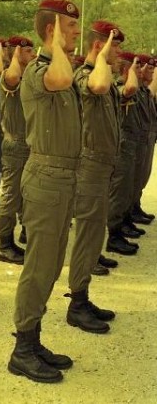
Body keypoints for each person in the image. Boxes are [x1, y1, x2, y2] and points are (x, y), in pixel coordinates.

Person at [8, 0, 82, 383]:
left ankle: (33, 339)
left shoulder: (61, 66)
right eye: (69, 26)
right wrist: (54, 45)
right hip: (46, 179)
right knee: (38, 267)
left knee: (51, 266)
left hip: (63, 180)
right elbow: (63, 79)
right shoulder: (40, 71)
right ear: (52, 28)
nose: (75, 32)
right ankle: (21, 349)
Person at [65, 21, 126, 334]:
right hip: (89, 166)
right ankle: (76, 303)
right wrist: (102, 56)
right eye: (114, 45)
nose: (118, 52)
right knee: (88, 236)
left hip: (102, 166)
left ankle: (83, 296)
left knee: (94, 235)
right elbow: (99, 86)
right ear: (99, 45)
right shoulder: (85, 75)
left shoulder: (102, 73)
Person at [0, 36, 36, 265]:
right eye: (28, 51)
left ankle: (22, 236)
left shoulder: (26, 77)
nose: (32, 56)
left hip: (28, 145)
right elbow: (11, 76)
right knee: (10, 198)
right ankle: (4, 244)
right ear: (19, 51)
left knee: (26, 197)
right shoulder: (9, 77)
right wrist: (16, 57)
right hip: (14, 144)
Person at [106, 52, 144, 255]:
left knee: (127, 190)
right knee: (118, 193)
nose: (141, 70)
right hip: (121, 148)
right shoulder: (121, 86)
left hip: (130, 147)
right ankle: (113, 235)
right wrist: (131, 72)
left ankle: (121, 226)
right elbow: (129, 88)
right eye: (137, 67)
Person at [130, 54, 157, 223]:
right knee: (133, 179)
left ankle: (135, 206)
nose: (152, 72)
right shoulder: (138, 90)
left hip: (147, 138)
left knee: (142, 176)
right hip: (136, 139)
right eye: (150, 68)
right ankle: (126, 215)